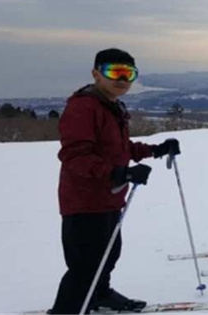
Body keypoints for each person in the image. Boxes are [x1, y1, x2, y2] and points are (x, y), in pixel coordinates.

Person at [50, 48, 180, 314]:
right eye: (114, 72)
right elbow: (74, 155)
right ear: (96, 73)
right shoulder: (83, 107)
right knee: (85, 265)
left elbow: (119, 148)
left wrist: (155, 150)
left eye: (128, 73)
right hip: (84, 200)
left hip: (109, 197)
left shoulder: (111, 105)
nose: (122, 79)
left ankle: (99, 295)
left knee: (108, 255)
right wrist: (119, 173)